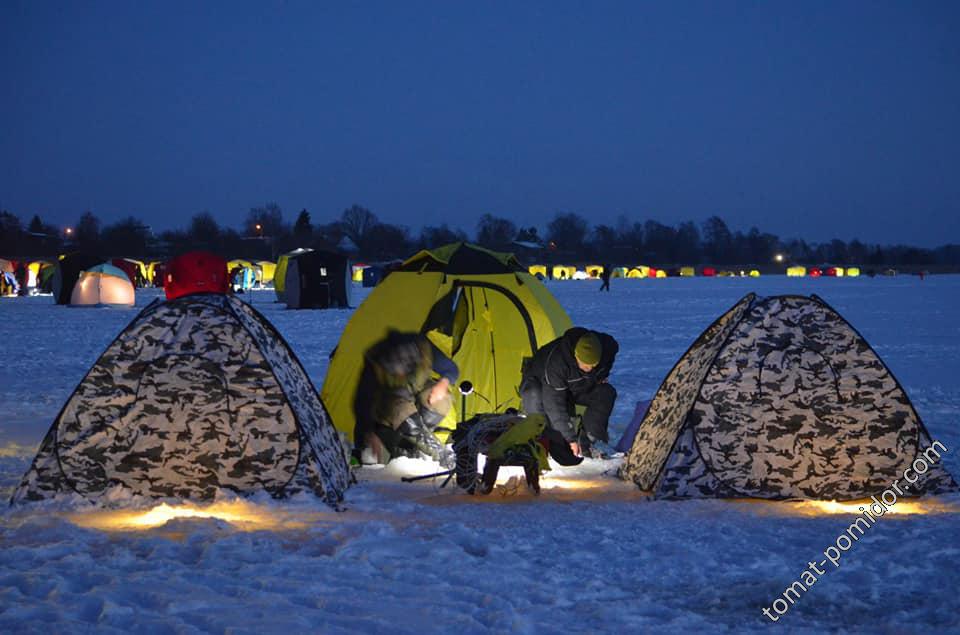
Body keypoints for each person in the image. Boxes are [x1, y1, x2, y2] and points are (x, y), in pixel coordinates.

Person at [353, 330, 458, 466]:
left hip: (415, 401)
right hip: (386, 412)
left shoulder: (422, 348)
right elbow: (361, 402)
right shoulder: (375, 361)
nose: (401, 374)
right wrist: (368, 434)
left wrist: (443, 383)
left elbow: (451, 369)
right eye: (396, 371)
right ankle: (440, 455)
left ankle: (417, 447)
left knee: (442, 399)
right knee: (400, 408)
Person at [520, 327, 618, 459]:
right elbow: (553, 404)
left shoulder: (607, 348)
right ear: (575, 355)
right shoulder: (557, 362)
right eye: (584, 365)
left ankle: (592, 443)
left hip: (574, 385)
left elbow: (606, 362)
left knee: (606, 393)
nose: (589, 369)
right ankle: (543, 445)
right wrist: (569, 438)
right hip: (540, 385)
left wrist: (600, 376)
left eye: (593, 365)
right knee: (534, 396)